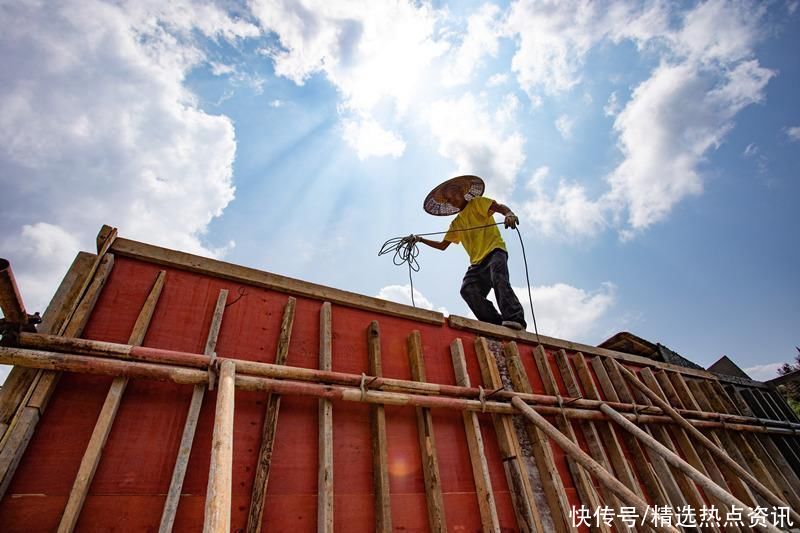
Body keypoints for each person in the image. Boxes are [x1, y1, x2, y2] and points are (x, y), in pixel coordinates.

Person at [409, 175, 527, 330]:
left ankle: (515, 318)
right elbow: (442, 245)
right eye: (448, 199)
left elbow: (499, 207)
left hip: (494, 251)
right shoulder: (456, 223)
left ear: (462, 192)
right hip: (477, 263)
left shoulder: (478, 203)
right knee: (468, 289)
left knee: (499, 279)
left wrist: (509, 214)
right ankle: (495, 324)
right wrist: (420, 239)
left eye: (453, 195)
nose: (452, 200)